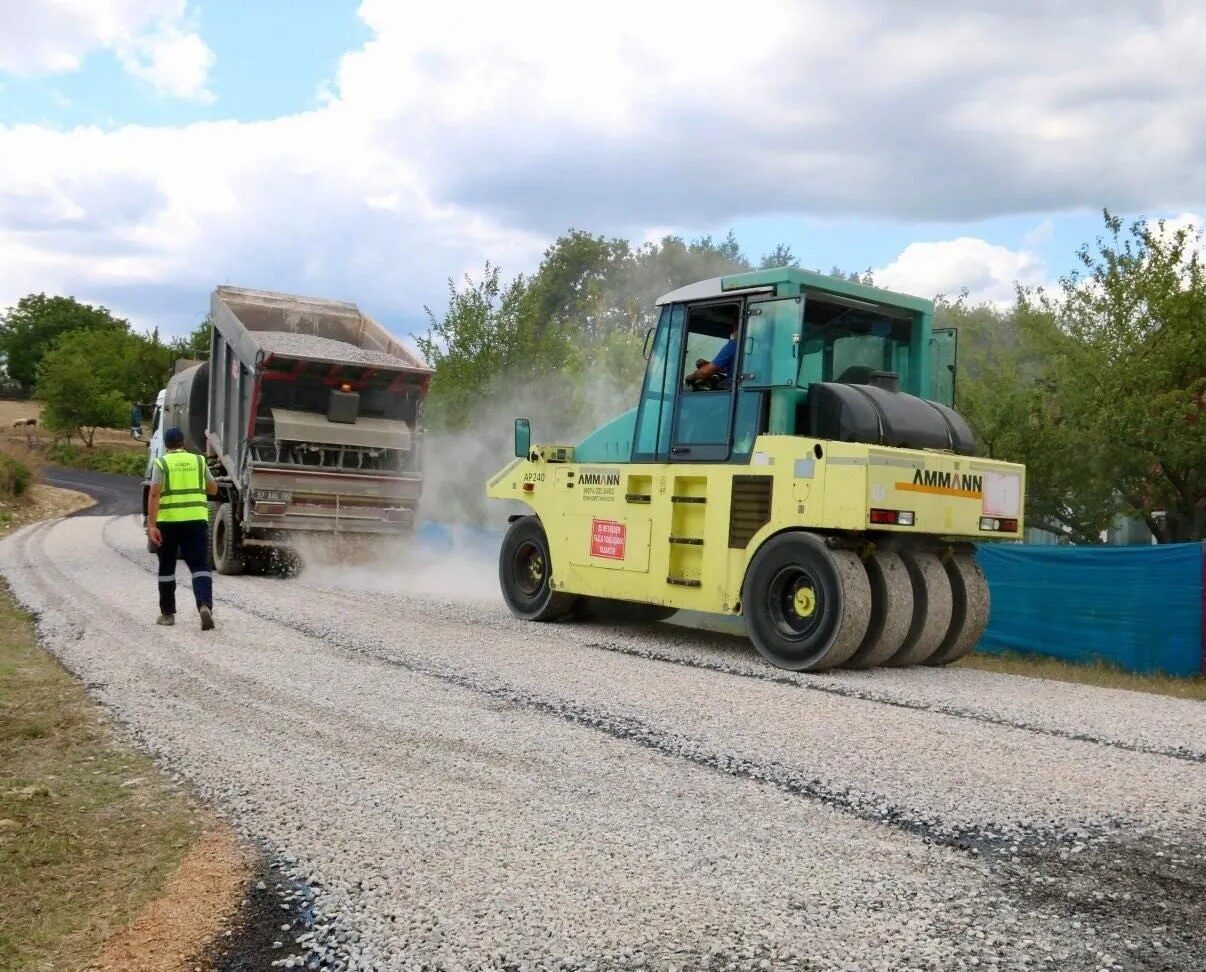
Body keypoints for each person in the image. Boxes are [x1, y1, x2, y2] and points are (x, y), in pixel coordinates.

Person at [146, 427, 218, 630]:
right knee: (200, 566)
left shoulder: (162, 463)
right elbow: (213, 488)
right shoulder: (198, 461)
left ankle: (167, 614)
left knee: (167, 567)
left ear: (166, 445)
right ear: (183, 442)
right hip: (195, 521)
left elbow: (154, 494)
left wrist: (152, 525)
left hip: (168, 523)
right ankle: (204, 605)